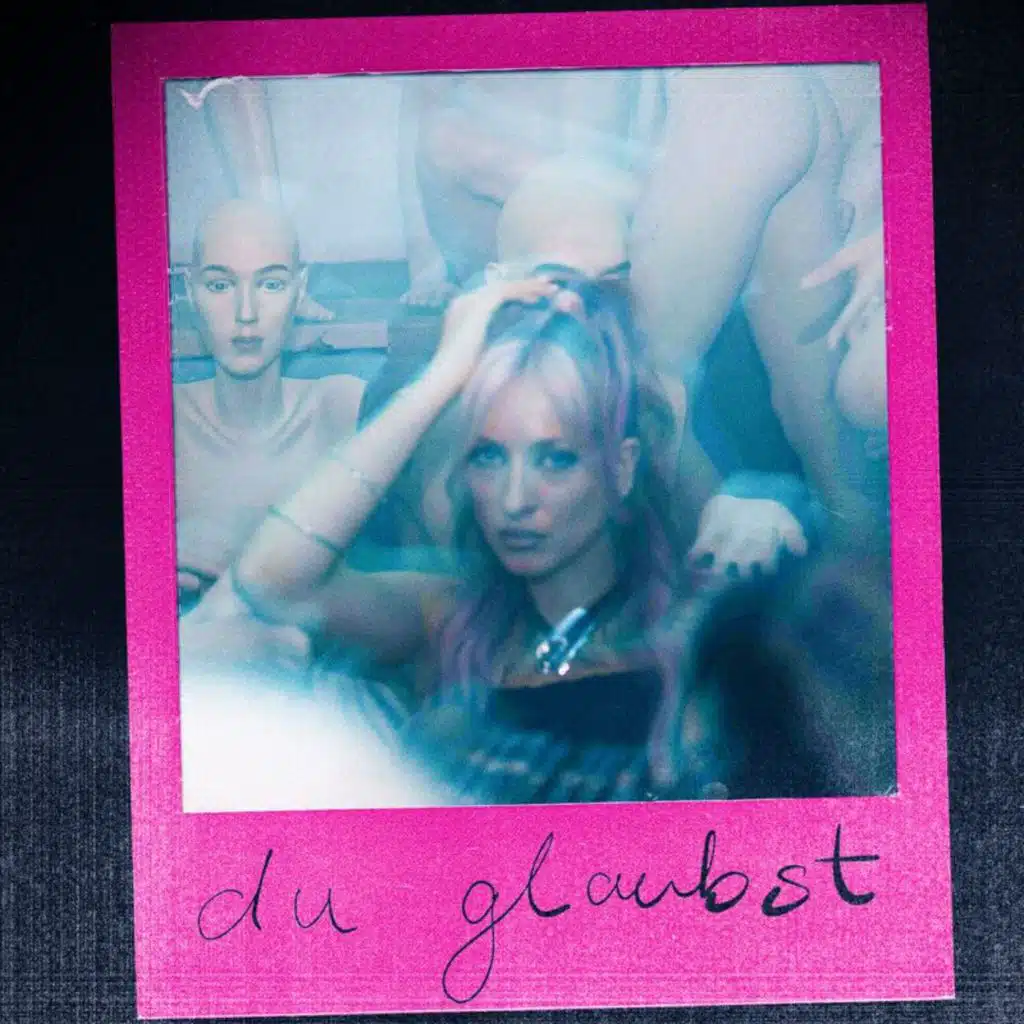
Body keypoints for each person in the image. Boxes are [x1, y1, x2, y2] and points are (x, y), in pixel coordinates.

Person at [187, 275, 887, 804]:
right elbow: (271, 580)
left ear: (621, 468)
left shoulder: (696, 623)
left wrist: (767, 513)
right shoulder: (448, 616)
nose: (515, 499)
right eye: (489, 457)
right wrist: (444, 375)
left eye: (556, 458)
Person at [174, 199, 365, 610]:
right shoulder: (158, 424)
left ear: (301, 290)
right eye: (220, 285)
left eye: (271, 284)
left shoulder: (341, 409)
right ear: (191, 291)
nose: (246, 313)